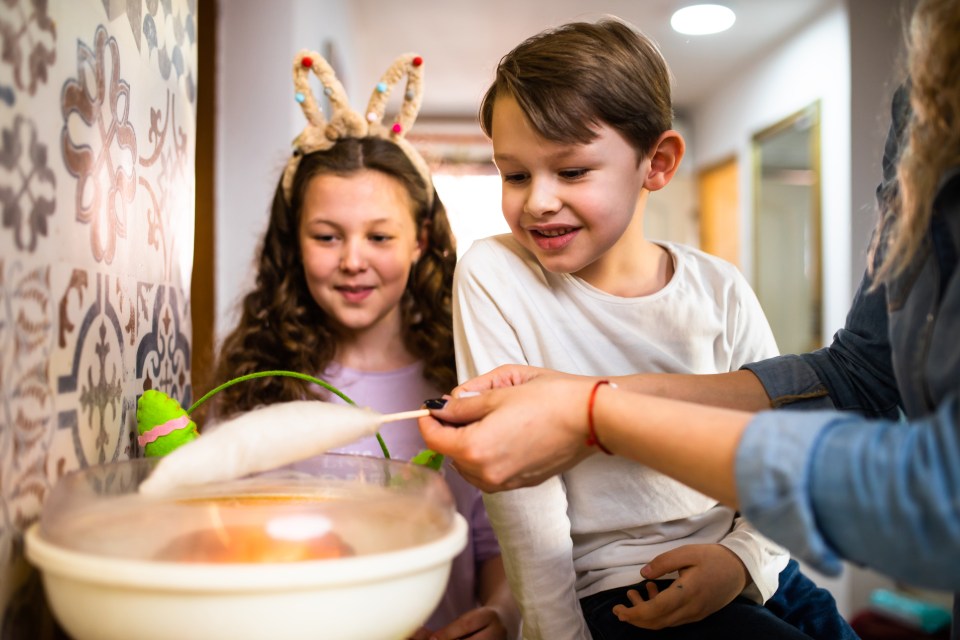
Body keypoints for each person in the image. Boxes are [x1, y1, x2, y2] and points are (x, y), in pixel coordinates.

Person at [420, 0, 960, 637]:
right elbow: (522, 497)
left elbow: (780, 424)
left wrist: (741, 561)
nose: (537, 200)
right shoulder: (495, 273)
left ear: (659, 163)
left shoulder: (720, 288)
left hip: (758, 569)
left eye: (571, 170)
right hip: (625, 591)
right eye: (513, 174)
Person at [207, 50, 519, 640]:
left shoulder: (461, 376)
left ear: (421, 240)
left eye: (380, 235)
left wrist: (500, 613)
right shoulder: (257, 382)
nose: (353, 261)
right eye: (327, 236)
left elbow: (493, 541)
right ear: (293, 243)